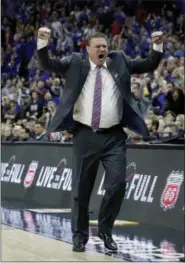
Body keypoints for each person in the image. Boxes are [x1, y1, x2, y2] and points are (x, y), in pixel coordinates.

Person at [36, 28, 163, 252]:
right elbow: (48, 65)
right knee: (81, 191)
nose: (103, 49)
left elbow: (148, 64)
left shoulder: (120, 60)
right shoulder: (75, 61)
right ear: (88, 49)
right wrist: (43, 44)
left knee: (118, 184)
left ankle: (105, 229)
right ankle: (79, 237)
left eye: (105, 46)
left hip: (114, 136)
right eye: (98, 46)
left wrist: (157, 46)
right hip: (85, 134)